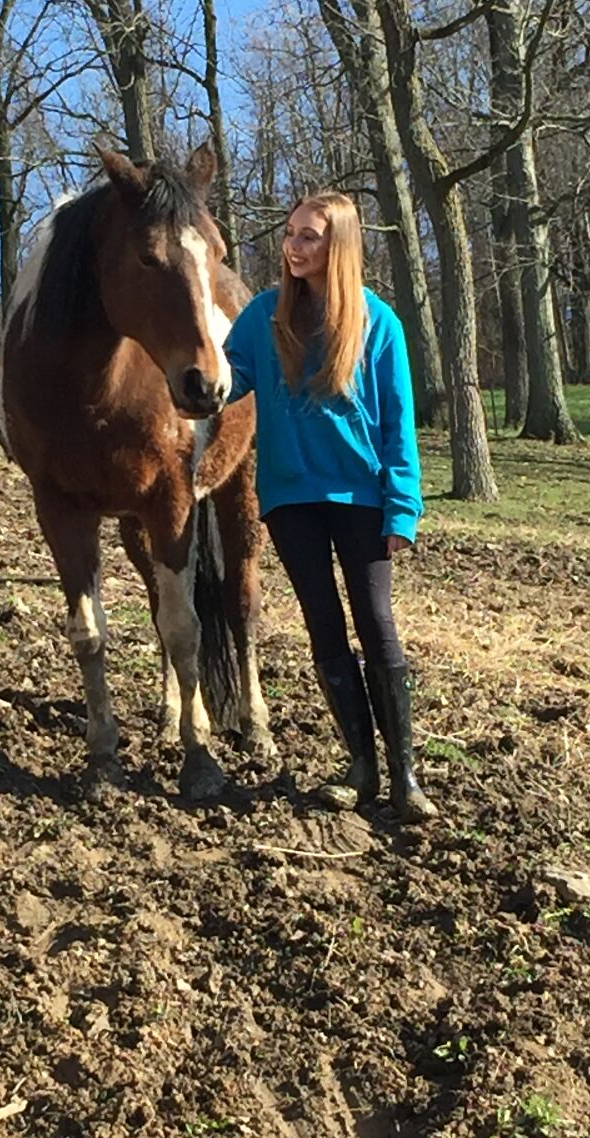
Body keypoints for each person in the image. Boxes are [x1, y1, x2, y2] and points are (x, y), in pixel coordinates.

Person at [223, 191, 438, 822]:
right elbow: (225, 380)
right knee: (324, 625)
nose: (294, 246)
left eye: (310, 236)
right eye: (291, 234)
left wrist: (403, 510)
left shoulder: (379, 323)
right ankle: (360, 768)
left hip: (362, 498)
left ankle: (405, 775)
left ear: (338, 244)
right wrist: (185, 368)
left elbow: (400, 426)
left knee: (375, 623)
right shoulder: (264, 318)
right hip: (292, 500)